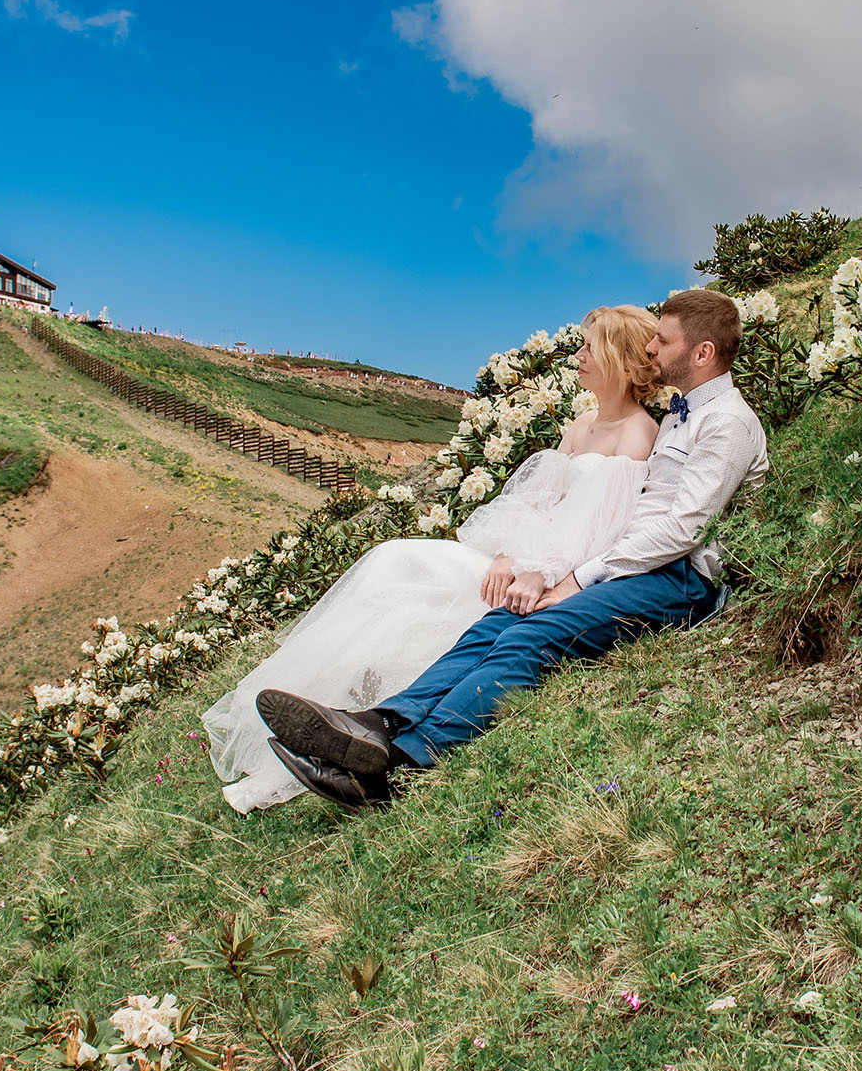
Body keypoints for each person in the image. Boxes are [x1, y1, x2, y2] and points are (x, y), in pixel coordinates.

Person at [257, 288, 768, 808]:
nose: (652, 349)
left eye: (664, 340)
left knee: (535, 633)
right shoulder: (684, 412)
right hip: (639, 564)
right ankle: (380, 722)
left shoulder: (726, 422)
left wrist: (580, 576)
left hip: (680, 579)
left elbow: (684, 529)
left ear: (702, 353)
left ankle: (398, 769)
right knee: (497, 622)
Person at [201, 306, 664, 812]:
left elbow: (598, 527)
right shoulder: (581, 424)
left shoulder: (638, 433)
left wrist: (539, 569)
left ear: (619, 359)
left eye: (590, 347)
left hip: (550, 569)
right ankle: (358, 722)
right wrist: (507, 552)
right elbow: (536, 502)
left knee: (417, 587)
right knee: (393, 558)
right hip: (521, 557)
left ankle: (367, 734)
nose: (578, 356)